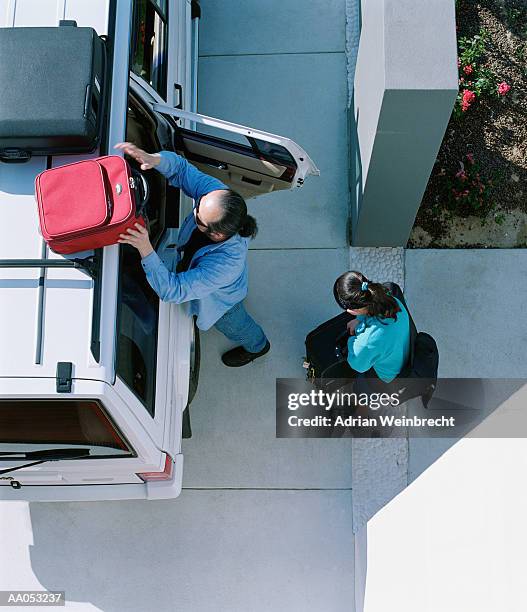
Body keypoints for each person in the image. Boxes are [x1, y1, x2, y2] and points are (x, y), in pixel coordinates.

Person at [115, 142, 270, 368]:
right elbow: (182, 170)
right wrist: (154, 159)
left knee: (237, 325)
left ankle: (258, 346)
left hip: (223, 302)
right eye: (198, 206)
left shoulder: (227, 264)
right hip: (211, 279)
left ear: (216, 234)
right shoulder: (216, 198)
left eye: (198, 217)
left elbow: (174, 290)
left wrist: (145, 248)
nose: (195, 209)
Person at [333, 271, 410, 385]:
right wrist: (359, 319)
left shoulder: (365, 343)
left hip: (389, 377)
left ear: (351, 311)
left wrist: (353, 338)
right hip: (403, 353)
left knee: (361, 388)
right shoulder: (390, 298)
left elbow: (358, 366)